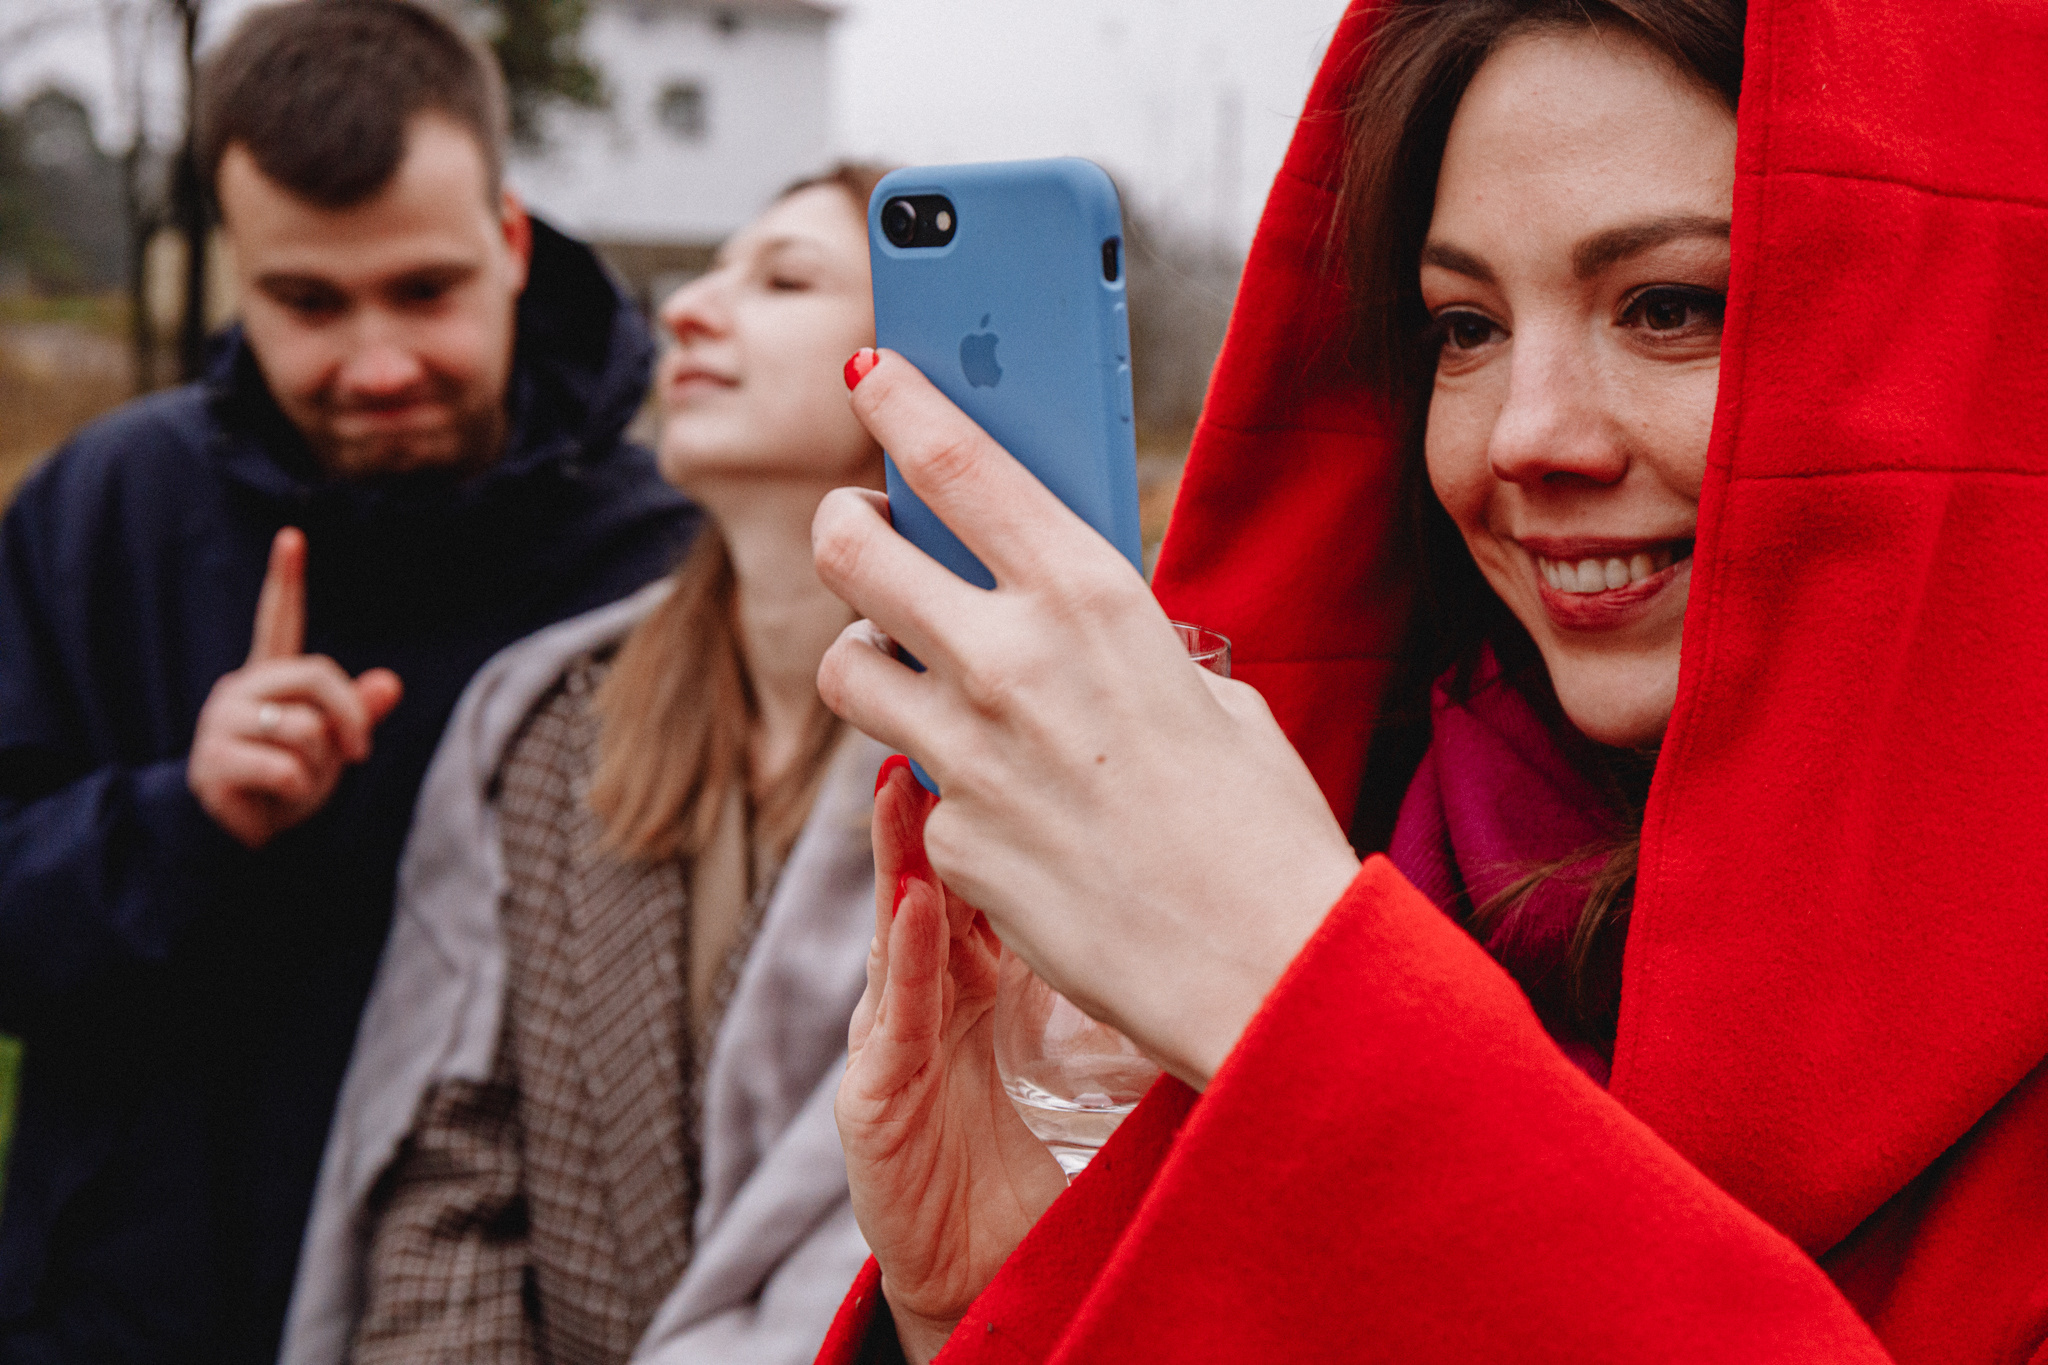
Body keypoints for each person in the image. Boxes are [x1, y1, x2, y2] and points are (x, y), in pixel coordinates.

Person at [805, 0, 2048, 1360]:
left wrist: (1303, 998)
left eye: (1672, 306)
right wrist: (994, 1310)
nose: (1525, 436)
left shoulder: (1288, 927)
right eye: (1464, 327)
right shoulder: (1370, 834)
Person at [0, 0, 695, 1358]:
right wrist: (180, 821)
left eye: (423, 290)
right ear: (234, 274)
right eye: (307, 302)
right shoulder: (106, 509)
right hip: (126, 1318)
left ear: (509, 241)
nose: (377, 364)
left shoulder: (669, 566)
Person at [278, 165, 893, 1365]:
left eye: (781, 279)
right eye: (710, 270)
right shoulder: (550, 721)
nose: (689, 309)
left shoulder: (1026, 755)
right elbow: (451, 1163)